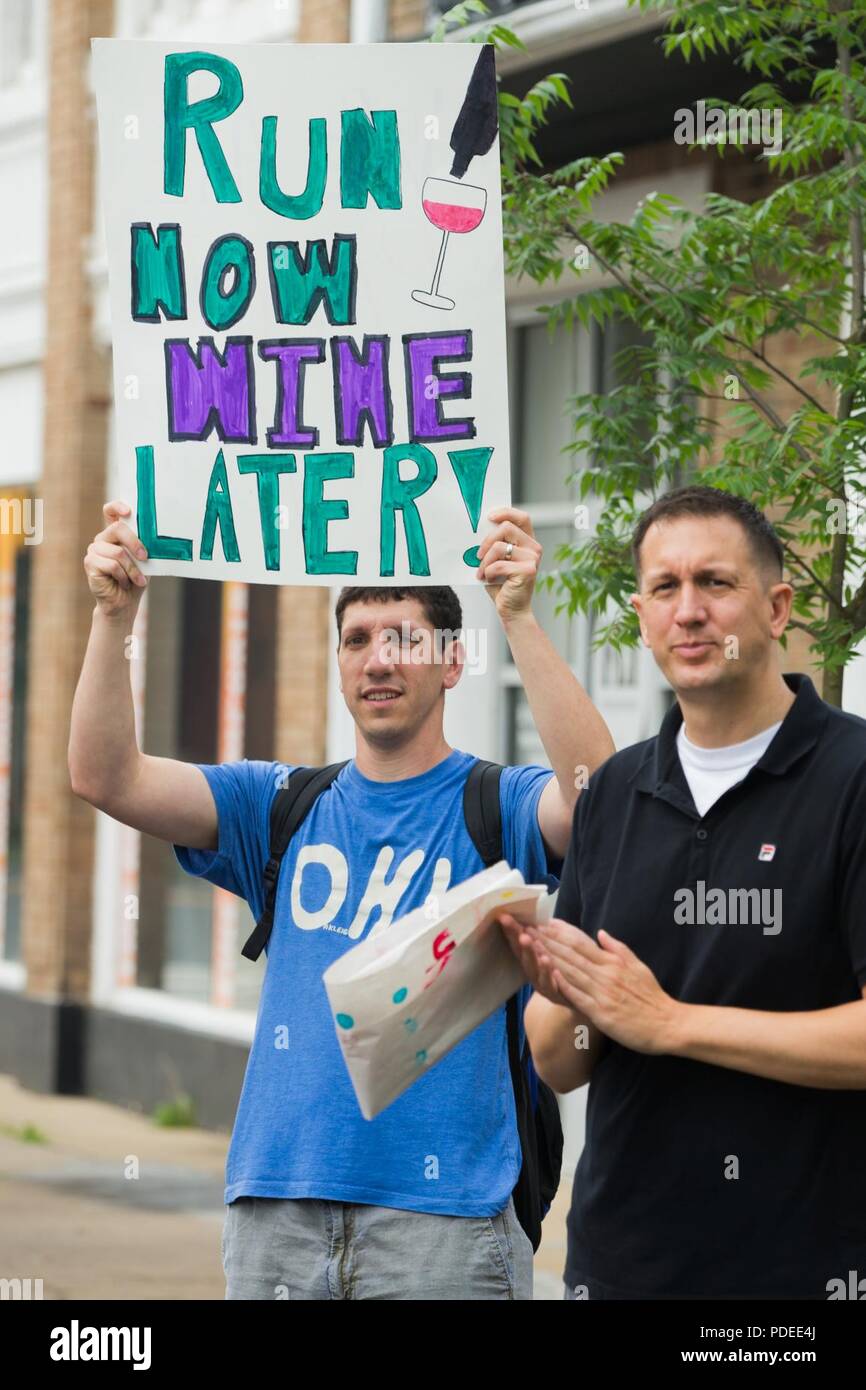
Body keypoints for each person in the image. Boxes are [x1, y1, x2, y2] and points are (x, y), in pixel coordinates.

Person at [69, 499, 614, 1301]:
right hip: (276, 1213)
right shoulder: (278, 802)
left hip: (445, 1223)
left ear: (452, 662)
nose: (377, 661)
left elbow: (600, 796)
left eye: (403, 640)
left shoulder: (500, 804)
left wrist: (519, 616)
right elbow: (104, 776)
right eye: (357, 641)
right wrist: (116, 614)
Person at [500, 485, 866, 1300]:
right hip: (625, 1265)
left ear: (777, 608)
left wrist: (670, 1023)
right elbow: (560, 1065)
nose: (689, 611)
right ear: (640, 613)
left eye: (715, 583)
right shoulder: (618, 792)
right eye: (665, 589)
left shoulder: (853, 779)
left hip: (804, 1273)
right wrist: (564, 995)